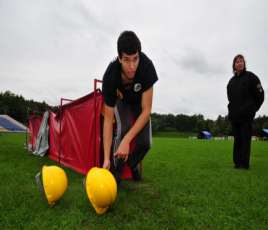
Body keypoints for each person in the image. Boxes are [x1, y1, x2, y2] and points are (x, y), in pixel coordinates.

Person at [101, 31, 158, 183]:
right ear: (119, 58)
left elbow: (146, 111)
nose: (132, 66)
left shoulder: (147, 67)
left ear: (139, 55)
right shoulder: (110, 76)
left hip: (140, 103)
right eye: (126, 60)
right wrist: (106, 158)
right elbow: (107, 120)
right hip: (123, 102)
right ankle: (115, 172)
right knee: (123, 128)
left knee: (146, 143)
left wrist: (127, 140)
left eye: (135, 59)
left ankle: (132, 164)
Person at [227, 54, 264, 169]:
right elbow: (230, 98)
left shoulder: (251, 77)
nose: (240, 63)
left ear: (244, 63)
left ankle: (244, 163)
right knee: (237, 140)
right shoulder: (231, 82)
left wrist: (253, 109)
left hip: (247, 116)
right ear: (234, 65)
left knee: (245, 140)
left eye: (241, 61)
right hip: (235, 116)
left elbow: (260, 95)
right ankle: (237, 163)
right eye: (237, 62)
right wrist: (231, 110)